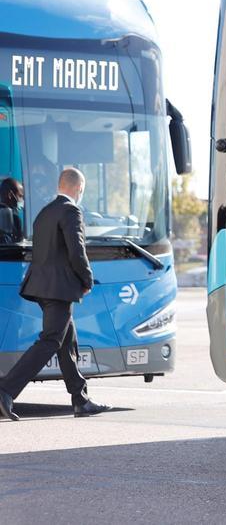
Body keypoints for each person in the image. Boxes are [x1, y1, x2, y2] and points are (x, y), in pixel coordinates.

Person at [0, 168, 111, 422]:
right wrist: (87, 279)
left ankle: (80, 400)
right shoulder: (71, 211)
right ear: (78, 189)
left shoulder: (44, 212)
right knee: (51, 340)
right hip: (59, 289)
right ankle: (6, 389)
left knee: (66, 341)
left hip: (41, 288)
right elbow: (76, 249)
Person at [0, 177, 25, 244]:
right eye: (20, 196)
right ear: (10, 195)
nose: (22, 200)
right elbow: (18, 245)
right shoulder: (12, 216)